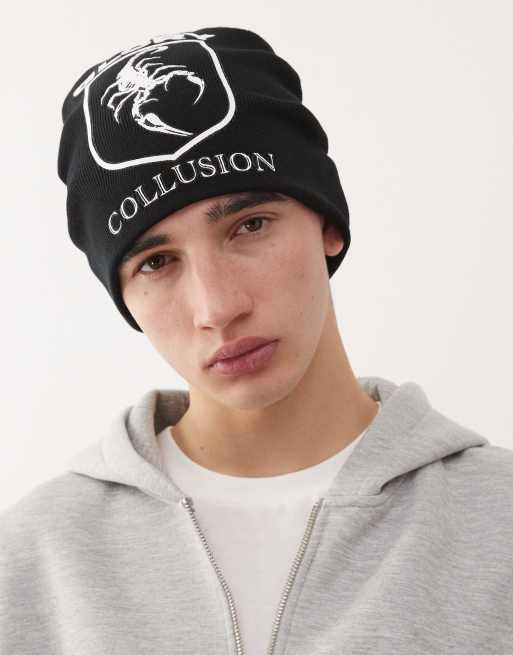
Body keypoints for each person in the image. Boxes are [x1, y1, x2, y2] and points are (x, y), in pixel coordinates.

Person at [1, 26, 512, 655]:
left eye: (250, 226)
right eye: (156, 263)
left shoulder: (500, 522)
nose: (217, 308)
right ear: (124, 297)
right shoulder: (32, 562)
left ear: (328, 224)